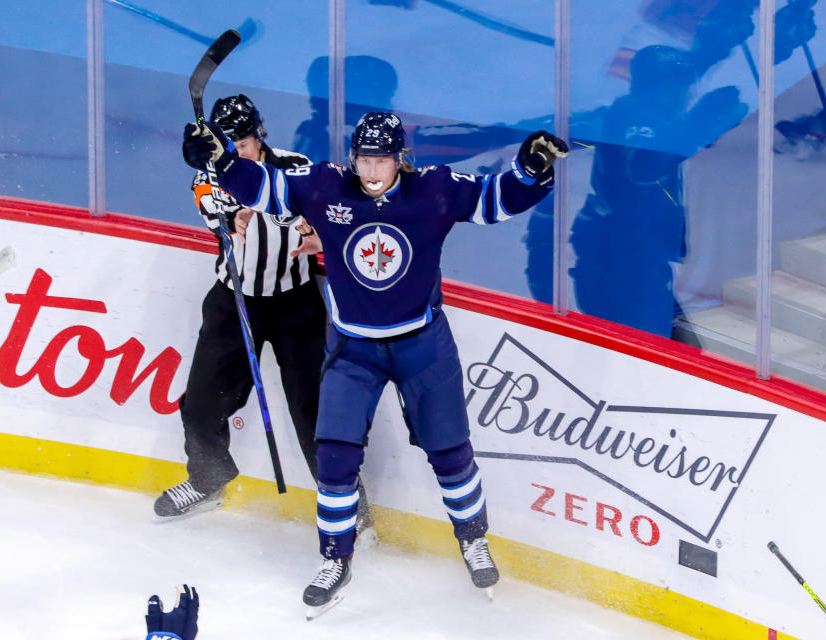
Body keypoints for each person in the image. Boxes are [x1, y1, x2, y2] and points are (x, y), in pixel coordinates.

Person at [181, 110, 566, 615]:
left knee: (450, 454)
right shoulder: (325, 188)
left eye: (381, 159)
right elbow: (264, 186)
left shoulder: (434, 190)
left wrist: (530, 170)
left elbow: (497, 199)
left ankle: (473, 539)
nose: (371, 169)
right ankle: (335, 559)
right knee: (335, 460)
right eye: (363, 158)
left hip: (422, 345)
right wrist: (222, 161)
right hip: (352, 349)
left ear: (399, 158)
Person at [155, 95, 363, 529]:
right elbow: (217, 210)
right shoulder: (210, 171)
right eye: (229, 148)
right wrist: (231, 210)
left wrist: (283, 214)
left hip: (296, 306)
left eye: (244, 146)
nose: (238, 155)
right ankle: (208, 477)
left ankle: (346, 506)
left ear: (259, 137)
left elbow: (319, 220)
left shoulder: (296, 167)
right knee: (200, 407)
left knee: (315, 413)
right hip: (233, 303)